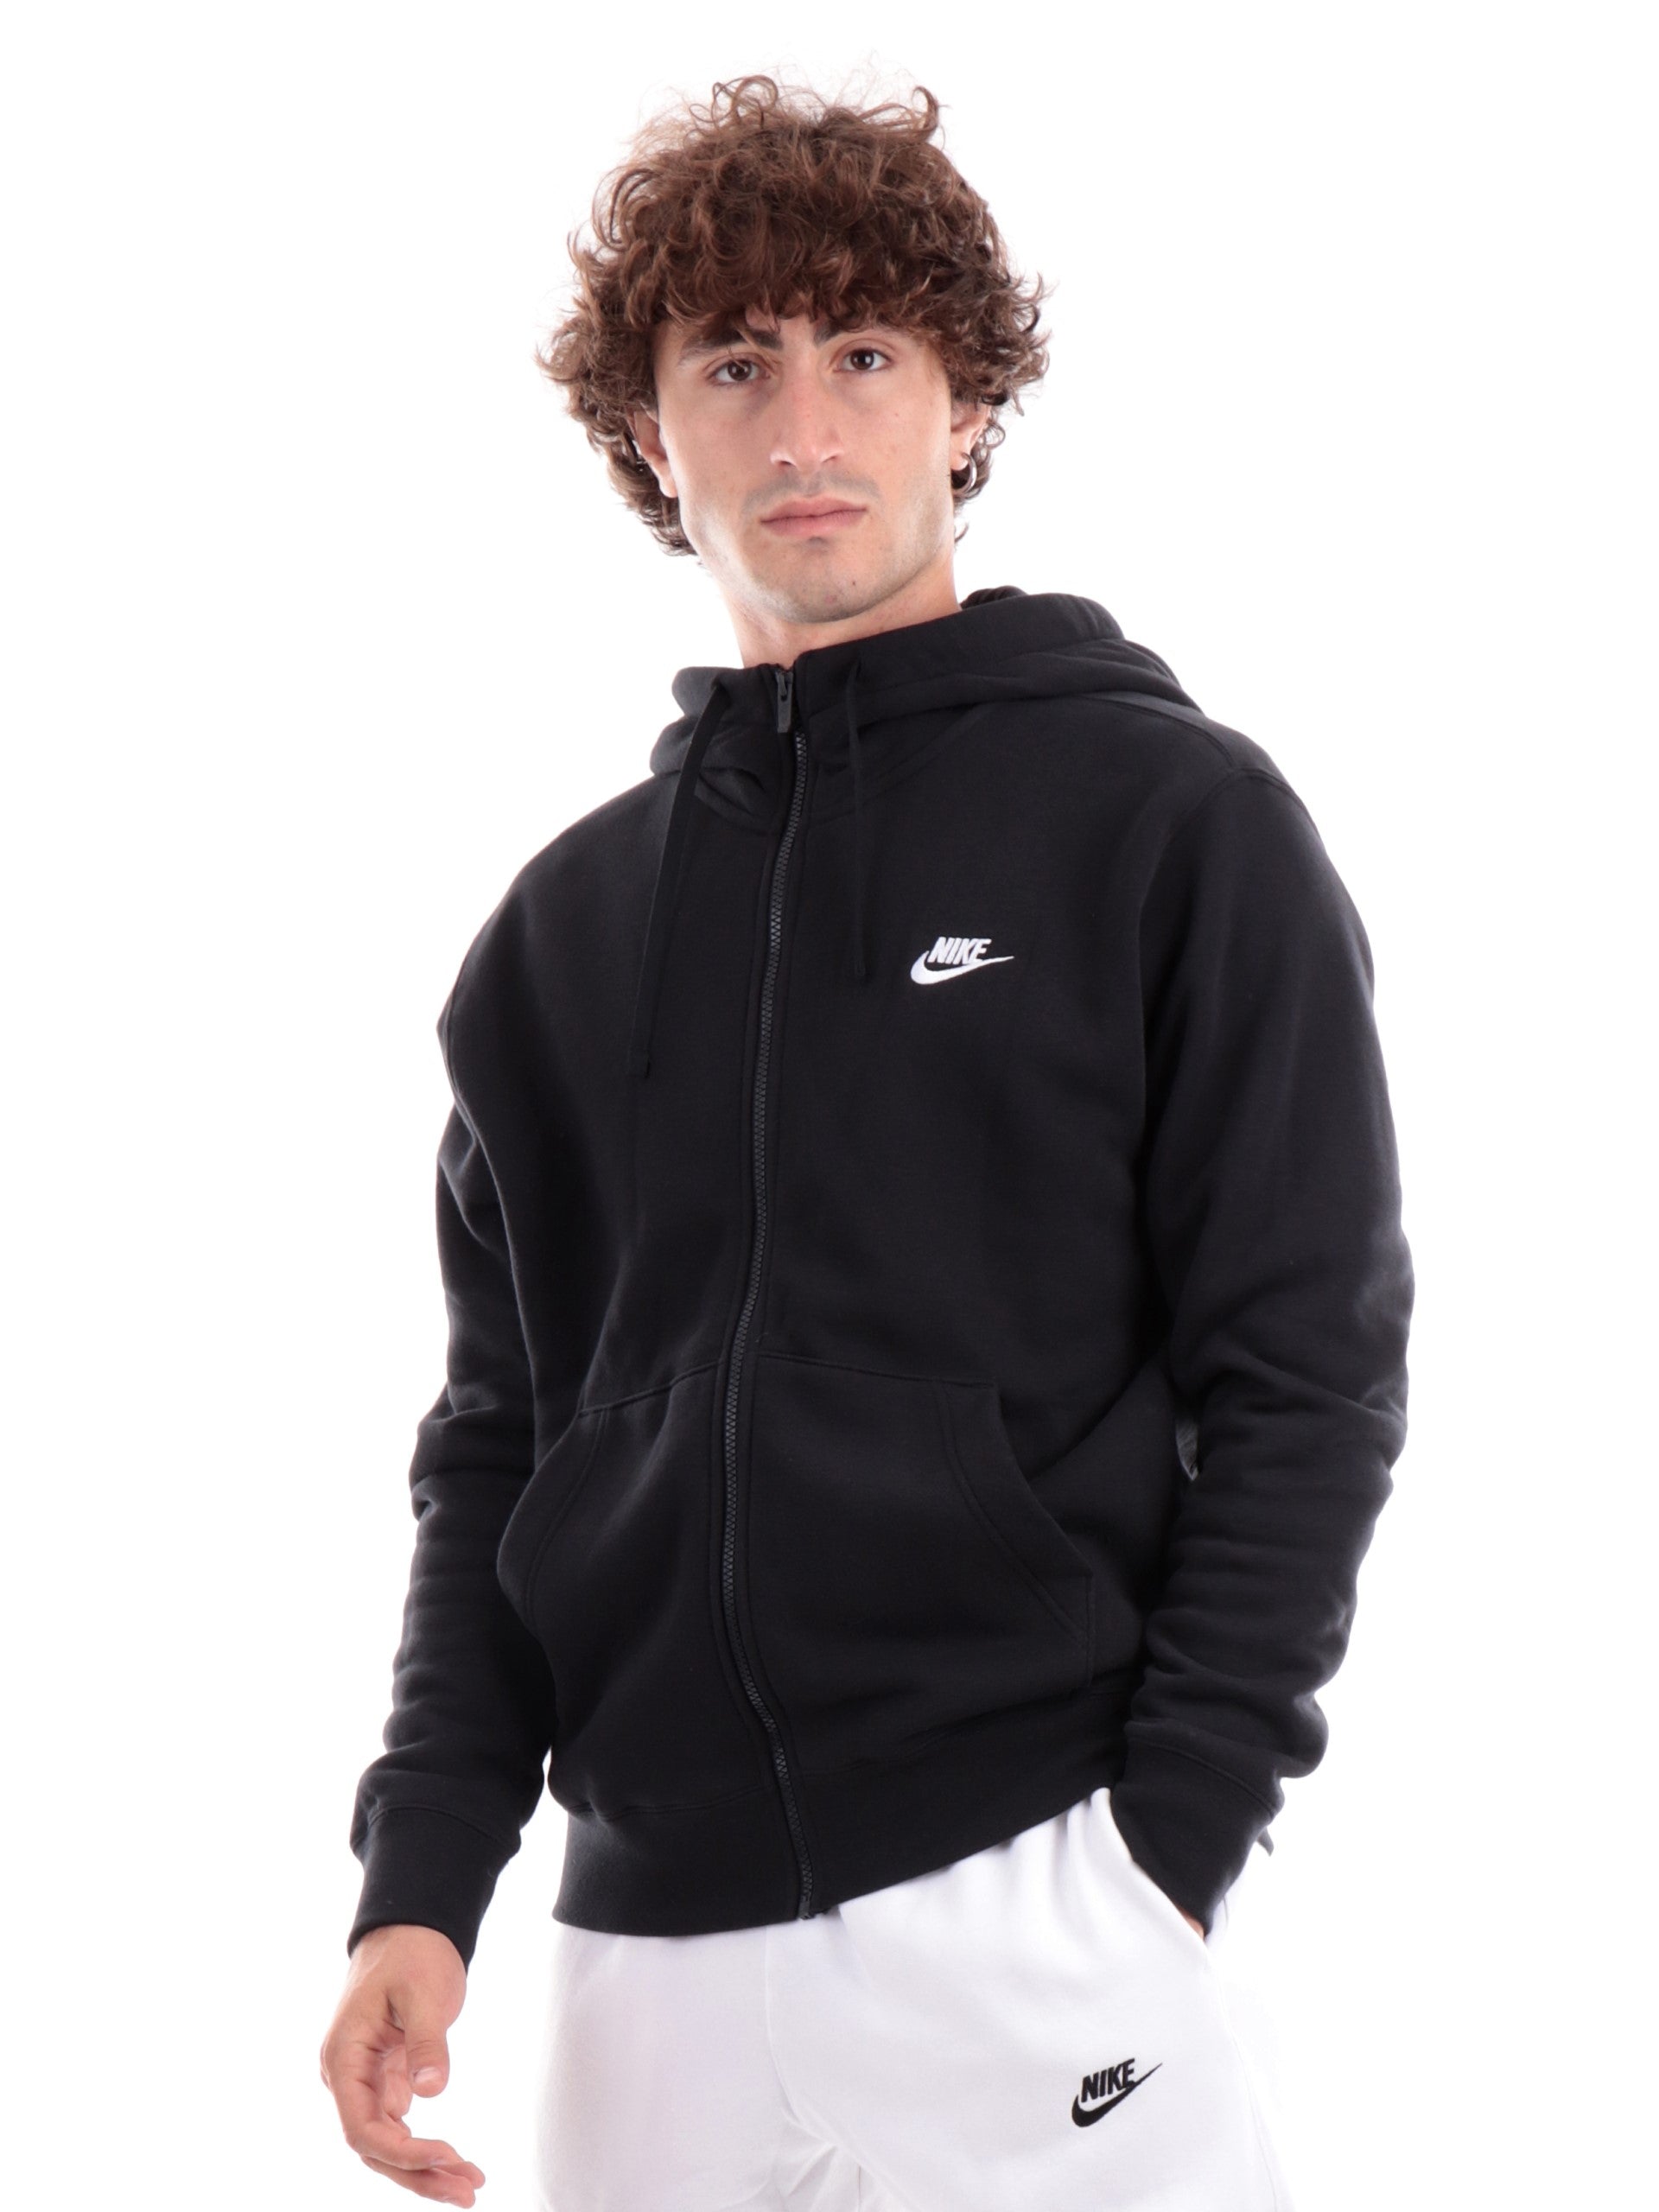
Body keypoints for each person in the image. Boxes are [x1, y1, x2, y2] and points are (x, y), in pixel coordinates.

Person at [319, 73, 1414, 2212]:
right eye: (735, 364)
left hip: (1040, 1893)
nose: (804, 427)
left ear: (967, 403)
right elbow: (502, 1450)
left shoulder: (1170, 824)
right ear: (652, 435)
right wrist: (422, 1878)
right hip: (645, 1965)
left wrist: (1164, 1851)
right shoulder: (558, 936)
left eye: (866, 353)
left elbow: (1308, 1366)